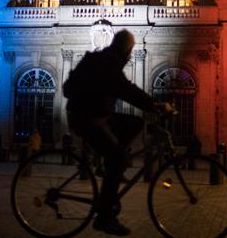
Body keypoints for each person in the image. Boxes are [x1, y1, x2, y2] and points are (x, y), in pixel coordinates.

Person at [64, 29, 170, 236]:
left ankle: (109, 162)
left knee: (135, 123)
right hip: (86, 118)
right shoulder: (108, 63)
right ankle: (104, 218)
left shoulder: (106, 60)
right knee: (119, 158)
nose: (131, 54)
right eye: (131, 50)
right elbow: (126, 90)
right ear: (127, 49)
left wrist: (151, 104)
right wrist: (154, 105)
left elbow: (124, 88)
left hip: (97, 116)